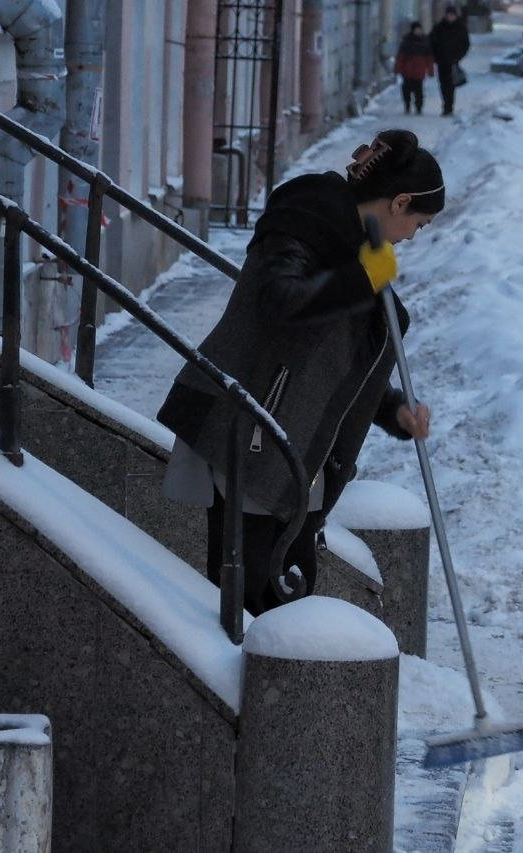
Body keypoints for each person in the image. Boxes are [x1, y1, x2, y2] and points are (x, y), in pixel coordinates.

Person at [156, 129, 444, 615]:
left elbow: (331, 359)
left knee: (285, 591)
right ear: (400, 202)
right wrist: (361, 279)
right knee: (255, 599)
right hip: (253, 432)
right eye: (420, 222)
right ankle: (243, 689)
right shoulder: (304, 223)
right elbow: (279, 302)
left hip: (297, 447)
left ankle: (264, 686)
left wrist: (393, 409)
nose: (414, 235)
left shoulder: (361, 247)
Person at [429, 5, 470, 116]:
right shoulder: (439, 27)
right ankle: (446, 104)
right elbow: (432, 42)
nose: (450, 17)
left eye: (452, 15)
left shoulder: (460, 28)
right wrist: (436, 56)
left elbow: (465, 44)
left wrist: (458, 56)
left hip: (453, 61)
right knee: (443, 84)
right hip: (442, 61)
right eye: (449, 15)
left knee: (451, 85)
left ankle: (449, 106)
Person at [395, 22, 435, 115]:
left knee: (419, 91)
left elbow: (429, 58)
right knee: (406, 90)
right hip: (407, 71)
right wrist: (398, 68)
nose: (418, 31)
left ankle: (419, 107)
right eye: (416, 29)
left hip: (419, 72)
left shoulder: (425, 42)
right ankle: (407, 105)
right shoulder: (407, 42)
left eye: (419, 29)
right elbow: (401, 57)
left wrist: (430, 70)